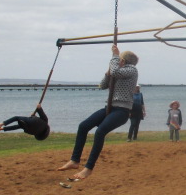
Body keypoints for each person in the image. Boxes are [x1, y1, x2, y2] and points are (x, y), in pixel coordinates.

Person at [57, 45, 138, 183]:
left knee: (100, 132)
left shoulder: (131, 70)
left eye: (120, 59)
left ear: (123, 60)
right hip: (110, 108)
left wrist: (114, 56)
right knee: (83, 126)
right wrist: (108, 72)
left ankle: (88, 168)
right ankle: (75, 160)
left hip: (122, 111)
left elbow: (117, 73)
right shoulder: (116, 71)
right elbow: (102, 85)